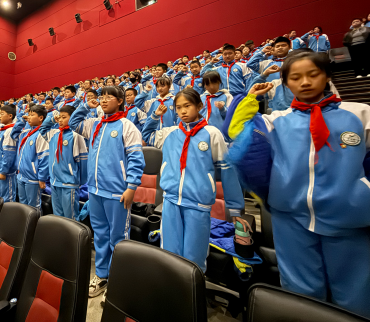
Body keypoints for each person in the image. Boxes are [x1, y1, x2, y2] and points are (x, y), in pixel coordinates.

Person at [226, 51, 370, 318]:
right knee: (301, 295)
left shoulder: (359, 114)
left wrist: (363, 195)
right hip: (290, 218)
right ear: (285, 83)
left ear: (327, 76)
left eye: (313, 74)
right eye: (295, 77)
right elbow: (235, 131)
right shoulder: (276, 120)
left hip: (349, 220)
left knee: (355, 297)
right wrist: (251, 98)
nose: (305, 82)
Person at [142, 88, 244, 271]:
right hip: (171, 201)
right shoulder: (170, 133)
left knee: (194, 256)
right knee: (169, 253)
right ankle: (171, 285)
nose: (182, 111)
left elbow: (227, 171)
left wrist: (235, 208)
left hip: (198, 204)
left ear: (199, 106)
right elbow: (146, 135)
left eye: (187, 106)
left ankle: (193, 286)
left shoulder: (212, 134)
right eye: (178, 107)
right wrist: (155, 116)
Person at [69, 86, 145, 299]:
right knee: (100, 235)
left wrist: (131, 187)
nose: (103, 100)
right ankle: (102, 275)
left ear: (120, 101)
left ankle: (118, 280)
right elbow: (73, 123)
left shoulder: (127, 126)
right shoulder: (94, 124)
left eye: (108, 97)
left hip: (117, 192)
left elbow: (136, 159)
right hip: (95, 191)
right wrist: (86, 106)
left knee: (118, 237)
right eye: (101, 97)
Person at [40, 105, 88, 219]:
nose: (60, 120)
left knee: (70, 217)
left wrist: (79, 181)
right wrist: (53, 119)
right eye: (59, 117)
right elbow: (42, 129)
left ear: (72, 118)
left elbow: (83, 161)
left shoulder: (76, 136)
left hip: (69, 183)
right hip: (54, 182)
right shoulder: (54, 134)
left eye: (64, 117)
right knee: (58, 217)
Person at [14, 105, 50, 209]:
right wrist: (22, 119)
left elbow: (44, 158)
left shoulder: (41, 134)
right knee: (23, 206)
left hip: (33, 178)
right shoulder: (26, 132)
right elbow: (14, 134)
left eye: (32, 115)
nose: (29, 117)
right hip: (21, 175)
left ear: (41, 118)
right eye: (28, 115)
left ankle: (36, 221)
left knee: (33, 206)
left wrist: (42, 178)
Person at [247, 37, 294, 111]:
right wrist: (262, 52)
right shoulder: (266, 64)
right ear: (274, 49)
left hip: (293, 98)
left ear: (289, 47)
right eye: (277, 46)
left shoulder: (295, 62)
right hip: (272, 101)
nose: (280, 48)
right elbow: (250, 64)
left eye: (283, 45)